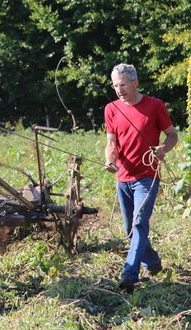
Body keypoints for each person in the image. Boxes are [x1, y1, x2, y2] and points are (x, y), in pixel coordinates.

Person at [104, 63, 178, 292]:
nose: (119, 90)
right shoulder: (111, 108)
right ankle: (152, 262)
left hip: (147, 176)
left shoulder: (155, 106)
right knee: (129, 229)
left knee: (139, 222)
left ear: (135, 83)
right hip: (123, 178)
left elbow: (173, 135)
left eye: (123, 85)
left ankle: (129, 274)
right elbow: (111, 143)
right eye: (116, 86)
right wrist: (110, 160)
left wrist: (163, 149)